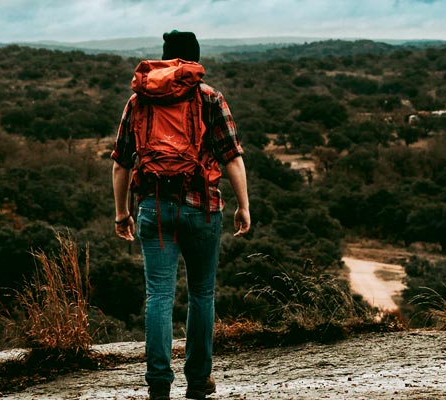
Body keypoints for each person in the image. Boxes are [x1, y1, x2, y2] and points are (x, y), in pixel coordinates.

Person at [111, 30, 251, 400]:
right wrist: (244, 205)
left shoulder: (139, 100)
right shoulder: (209, 97)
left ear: (165, 57)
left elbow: (121, 163)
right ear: (194, 58)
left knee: (158, 295)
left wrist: (121, 213)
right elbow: (232, 156)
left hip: (153, 206)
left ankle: (159, 383)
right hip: (203, 206)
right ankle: (198, 380)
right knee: (202, 294)